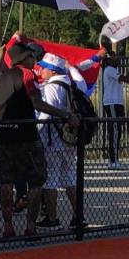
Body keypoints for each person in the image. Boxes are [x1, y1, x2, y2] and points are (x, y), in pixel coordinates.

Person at [0, 38, 77, 238]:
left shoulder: (1, 78)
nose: (34, 60)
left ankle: (8, 225)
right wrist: (65, 114)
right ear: (24, 57)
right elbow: (37, 103)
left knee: (6, 181)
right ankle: (30, 225)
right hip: (27, 136)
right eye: (31, 56)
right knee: (36, 181)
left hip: (4, 135)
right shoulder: (28, 75)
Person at [34, 54, 79, 230]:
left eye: (44, 67)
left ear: (52, 70)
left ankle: (52, 218)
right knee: (70, 177)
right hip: (69, 137)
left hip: (53, 139)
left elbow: (47, 112)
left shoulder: (52, 86)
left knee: (50, 179)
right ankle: (78, 216)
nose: (41, 69)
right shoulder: (70, 83)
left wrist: (37, 130)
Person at [78, 47, 129, 168]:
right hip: (112, 103)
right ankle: (113, 160)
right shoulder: (110, 69)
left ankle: (114, 159)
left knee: (117, 131)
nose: (117, 59)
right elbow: (126, 79)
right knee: (115, 131)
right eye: (114, 56)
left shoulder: (112, 69)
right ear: (109, 60)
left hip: (116, 103)